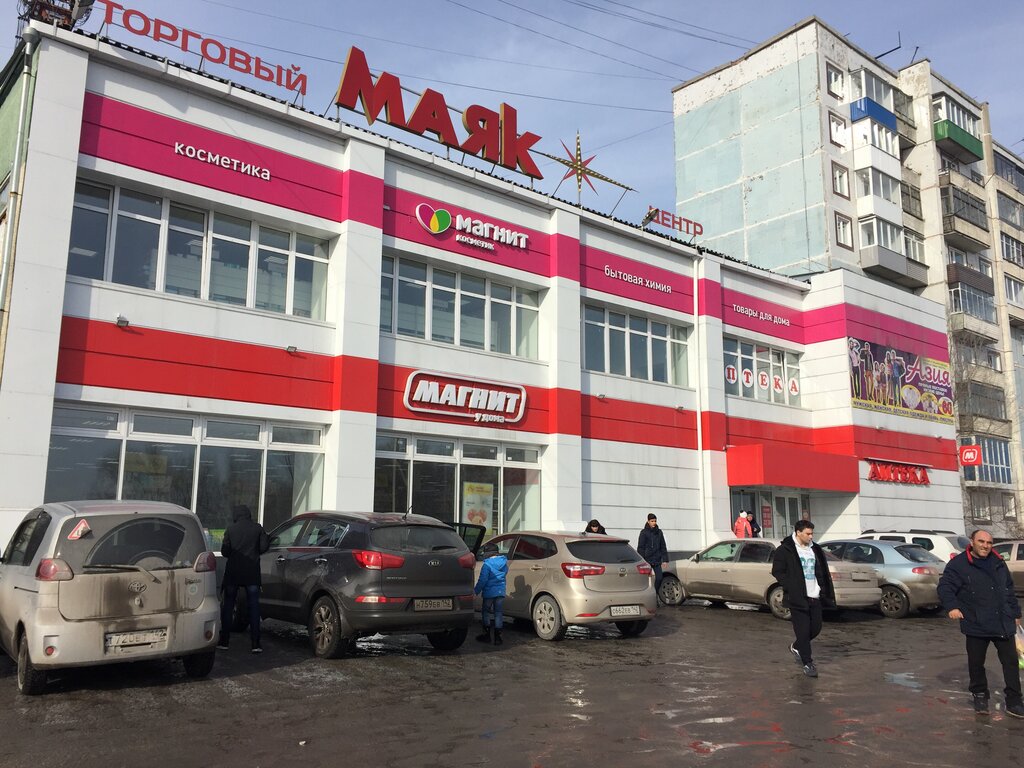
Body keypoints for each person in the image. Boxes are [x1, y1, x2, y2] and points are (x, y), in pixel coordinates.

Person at [937, 529, 1024, 717]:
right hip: (976, 622)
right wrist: (952, 606)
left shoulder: (998, 561)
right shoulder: (959, 564)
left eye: (989, 542)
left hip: (1002, 621)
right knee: (976, 663)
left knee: (1011, 663)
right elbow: (945, 587)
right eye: (981, 541)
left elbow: (1008, 589)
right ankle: (980, 696)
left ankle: (1014, 701)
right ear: (972, 542)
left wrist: (1016, 612)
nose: (985, 546)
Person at [770, 519, 835, 678]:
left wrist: (824, 590)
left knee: (816, 628)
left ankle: (796, 646)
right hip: (797, 597)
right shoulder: (785, 550)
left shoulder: (815, 549)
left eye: (812, 533)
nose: (811, 536)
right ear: (798, 532)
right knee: (803, 631)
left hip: (815, 595)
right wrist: (791, 586)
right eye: (808, 533)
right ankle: (808, 663)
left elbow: (821, 571)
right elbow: (777, 571)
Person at [218, 504, 270, 653]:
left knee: (228, 606)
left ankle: (224, 641)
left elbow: (225, 552)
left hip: (233, 573)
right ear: (249, 515)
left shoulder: (231, 529)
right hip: (251, 574)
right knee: (254, 607)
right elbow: (263, 548)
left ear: (236, 515)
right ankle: (255, 644)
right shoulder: (258, 529)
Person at [475, 542, 508, 645]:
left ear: (487, 553)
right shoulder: (504, 563)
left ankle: (487, 635)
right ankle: (498, 638)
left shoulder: (487, 565)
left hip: (489, 592)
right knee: (498, 613)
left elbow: (483, 580)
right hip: (500, 592)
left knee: (485, 612)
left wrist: (475, 591)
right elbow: (505, 573)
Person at [637, 513, 668, 598]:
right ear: (648, 521)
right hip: (647, 560)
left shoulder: (659, 532)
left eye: (655, 521)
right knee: (647, 579)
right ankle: (647, 596)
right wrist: (642, 560)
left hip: (657, 559)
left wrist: (665, 560)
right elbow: (641, 547)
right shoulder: (644, 532)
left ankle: (655, 594)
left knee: (659, 578)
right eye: (652, 521)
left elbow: (663, 546)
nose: (654, 523)